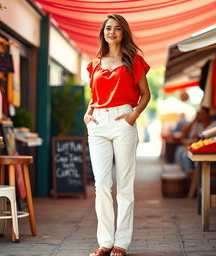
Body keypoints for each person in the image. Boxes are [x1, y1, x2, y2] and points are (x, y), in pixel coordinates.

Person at [84, 14, 151, 256]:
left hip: (124, 119)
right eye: (108, 28)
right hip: (98, 123)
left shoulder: (134, 60)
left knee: (124, 186)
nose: (111, 32)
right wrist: (87, 113)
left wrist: (133, 117)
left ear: (124, 33)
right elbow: (94, 95)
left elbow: (145, 94)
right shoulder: (95, 63)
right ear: (103, 32)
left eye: (117, 29)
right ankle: (105, 242)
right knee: (101, 184)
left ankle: (121, 243)